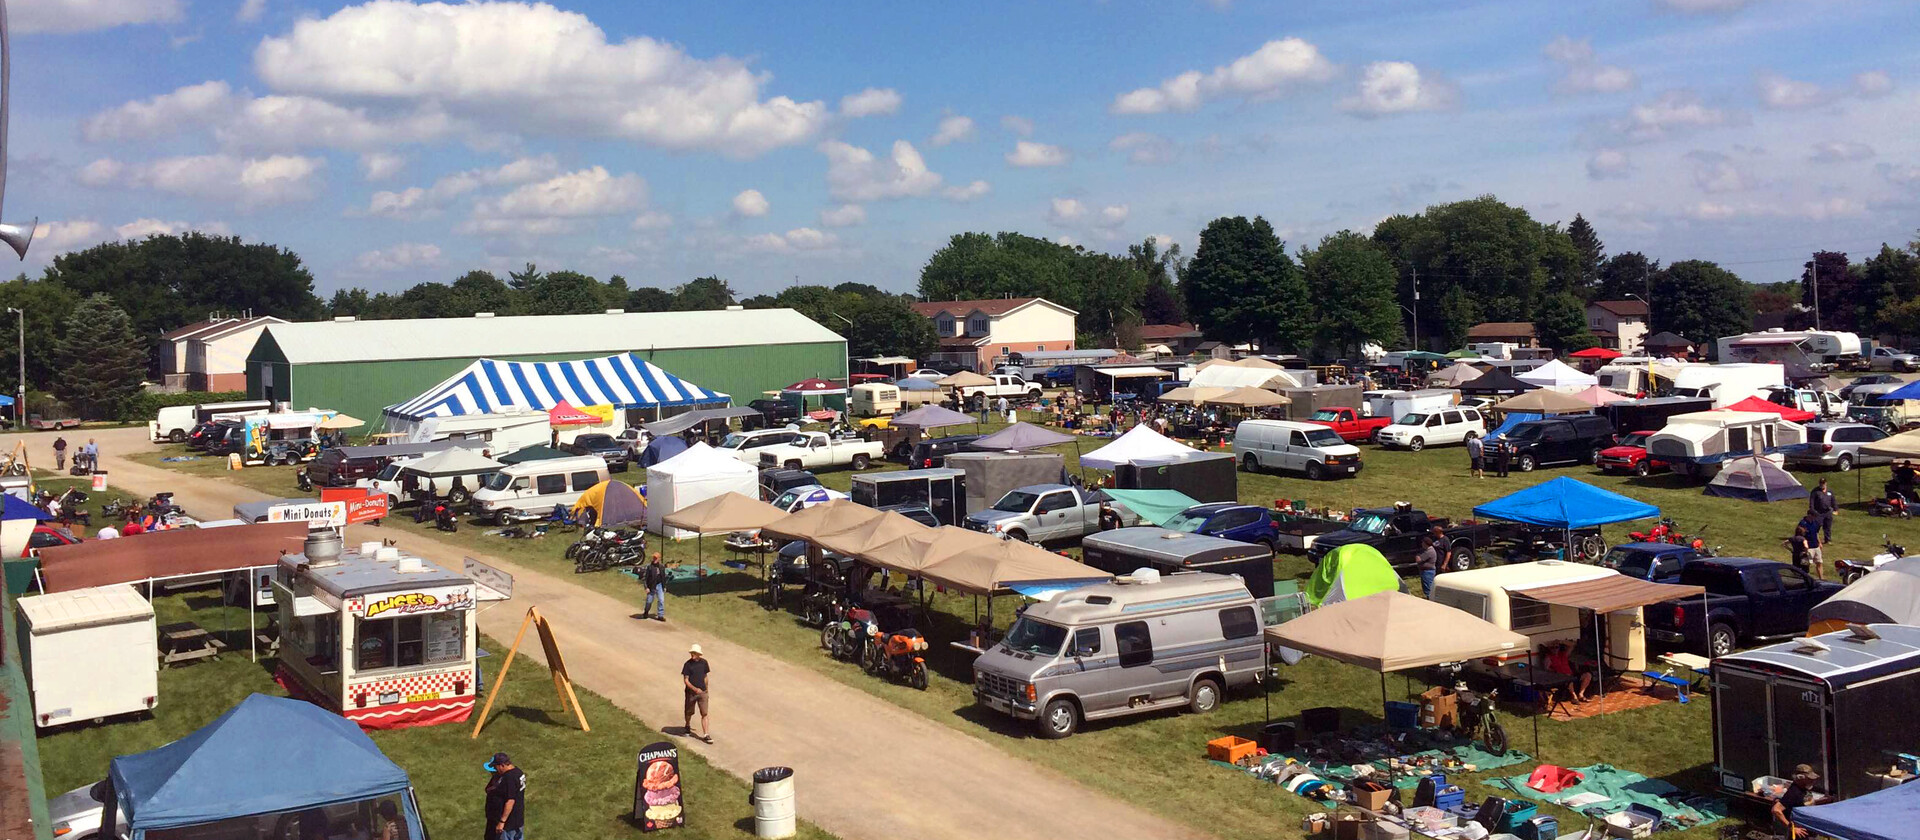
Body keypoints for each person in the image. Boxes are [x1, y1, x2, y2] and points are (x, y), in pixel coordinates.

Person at [483, 752, 526, 840]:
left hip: (508, 823)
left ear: (502, 765)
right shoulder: (518, 772)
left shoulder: (509, 778)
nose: (495, 769)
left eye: (496, 767)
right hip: (518, 819)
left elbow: (510, 801)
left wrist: (502, 822)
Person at [1770, 764, 1819, 838]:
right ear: (1800, 778)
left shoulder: (1804, 789)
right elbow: (1776, 810)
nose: (1812, 781)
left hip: (1808, 830)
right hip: (1799, 834)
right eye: (1809, 778)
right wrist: (1791, 828)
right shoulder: (1793, 792)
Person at [683, 643, 712, 743]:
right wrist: (694, 689)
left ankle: (706, 734)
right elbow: (686, 680)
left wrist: (706, 689)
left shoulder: (704, 663)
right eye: (691, 653)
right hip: (691, 693)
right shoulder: (687, 664)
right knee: (689, 711)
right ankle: (687, 725)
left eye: (694, 653)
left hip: (703, 692)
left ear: (699, 654)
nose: (692, 655)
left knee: (704, 713)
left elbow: (705, 677)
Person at [1808, 478, 1836, 546]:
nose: (1822, 485)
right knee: (1816, 526)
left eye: (1823, 483)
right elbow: (1812, 502)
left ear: (1826, 483)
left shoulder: (1830, 491)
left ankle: (1827, 539)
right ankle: (1814, 539)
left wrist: (1835, 508)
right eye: (1821, 483)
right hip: (1818, 512)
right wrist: (1812, 510)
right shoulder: (1815, 491)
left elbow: (1833, 501)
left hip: (1828, 512)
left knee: (1827, 527)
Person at [641, 553, 668, 621]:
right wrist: (646, 587)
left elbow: (663, 577)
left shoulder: (661, 567)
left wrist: (664, 586)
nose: (654, 559)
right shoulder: (649, 567)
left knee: (661, 600)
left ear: (659, 559)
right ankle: (646, 612)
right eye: (654, 558)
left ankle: (660, 615)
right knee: (649, 601)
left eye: (656, 558)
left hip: (659, 585)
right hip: (651, 586)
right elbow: (645, 578)